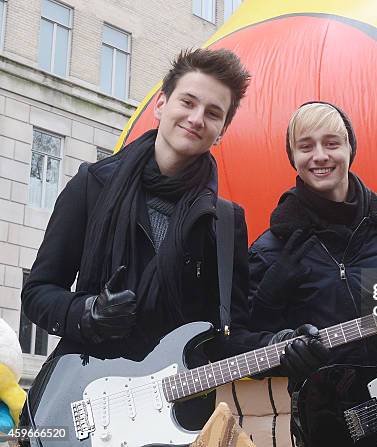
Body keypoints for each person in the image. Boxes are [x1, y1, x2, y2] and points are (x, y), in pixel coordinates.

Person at [21, 48, 253, 363]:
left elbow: (230, 333)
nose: (197, 119)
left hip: (176, 402)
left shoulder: (226, 223)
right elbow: (38, 293)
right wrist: (88, 313)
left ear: (221, 133)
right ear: (161, 104)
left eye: (213, 113)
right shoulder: (92, 185)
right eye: (188, 102)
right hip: (85, 386)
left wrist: (283, 344)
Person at [246, 102, 377, 443]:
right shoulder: (270, 250)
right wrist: (279, 346)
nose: (320, 156)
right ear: (292, 157)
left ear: (351, 147)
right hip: (327, 427)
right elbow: (237, 339)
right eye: (306, 147)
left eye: (332, 143)